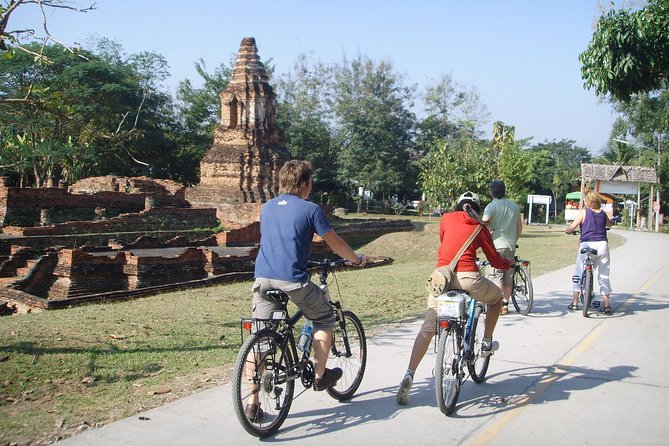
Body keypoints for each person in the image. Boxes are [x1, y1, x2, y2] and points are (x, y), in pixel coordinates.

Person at [248, 160, 367, 418]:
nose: (311, 187)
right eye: (310, 183)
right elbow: (333, 241)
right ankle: (320, 375)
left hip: (262, 279)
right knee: (324, 318)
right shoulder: (311, 209)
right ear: (303, 184)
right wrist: (355, 259)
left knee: (260, 340)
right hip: (292, 280)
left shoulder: (266, 208)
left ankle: (253, 402)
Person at [395, 191, 513, 405]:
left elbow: (445, 242)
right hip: (469, 278)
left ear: (458, 206)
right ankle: (486, 342)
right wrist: (507, 265)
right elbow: (494, 259)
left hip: (441, 277)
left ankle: (409, 374)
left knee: (428, 328)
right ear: (477, 209)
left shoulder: (446, 218)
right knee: (495, 299)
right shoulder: (480, 226)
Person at [565, 190, 613, 314]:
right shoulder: (602, 213)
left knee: (579, 271)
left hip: (587, 244)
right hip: (602, 245)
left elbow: (572, 227)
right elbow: (610, 224)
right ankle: (606, 305)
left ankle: (575, 302)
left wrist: (568, 230)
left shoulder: (584, 212)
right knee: (603, 274)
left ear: (588, 201)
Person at [481, 179, 522, 315]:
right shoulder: (514, 206)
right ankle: (505, 305)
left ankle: (497, 306)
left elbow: (485, 222)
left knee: (496, 275)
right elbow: (519, 226)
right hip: (510, 246)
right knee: (508, 277)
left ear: (491, 192)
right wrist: (514, 239)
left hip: (496, 246)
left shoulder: (491, 206)